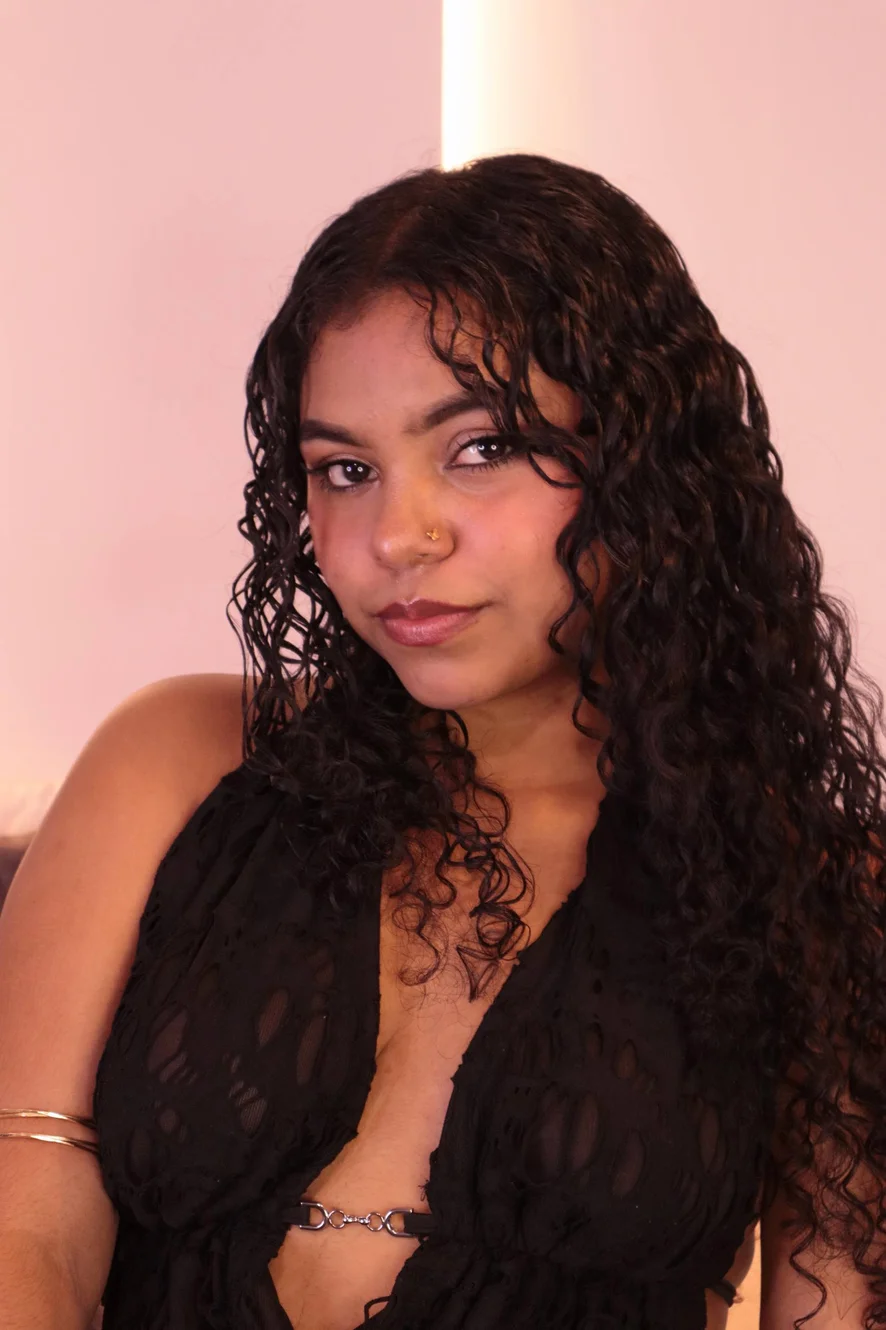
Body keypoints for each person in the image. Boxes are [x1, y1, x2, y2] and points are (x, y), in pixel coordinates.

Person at [1, 153, 885, 1330]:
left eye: (479, 448)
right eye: (344, 470)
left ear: (644, 464)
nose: (397, 535)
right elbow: (26, 1223)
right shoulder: (175, 761)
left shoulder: (813, 887)